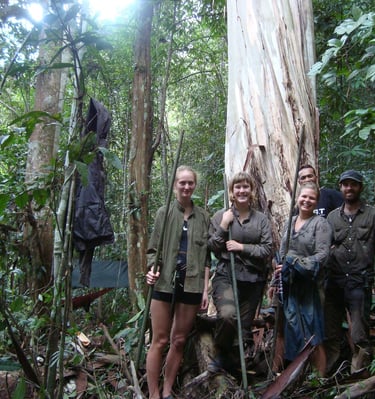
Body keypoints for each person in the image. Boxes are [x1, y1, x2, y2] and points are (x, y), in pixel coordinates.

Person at [145, 165, 211, 399]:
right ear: (175, 185)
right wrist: (151, 271)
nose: (186, 186)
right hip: (164, 282)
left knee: (179, 339)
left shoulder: (203, 216)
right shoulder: (164, 212)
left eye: (190, 183)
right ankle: (153, 393)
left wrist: (205, 290)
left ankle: (167, 390)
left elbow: (206, 257)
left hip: (191, 282)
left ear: (194, 185)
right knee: (160, 339)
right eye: (182, 182)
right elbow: (153, 250)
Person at [207, 171, 272, 372]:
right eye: (238, 187)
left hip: (253, 280)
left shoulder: (261, 219)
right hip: (227, 275)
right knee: (227, 316)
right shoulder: (220, 216)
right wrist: (224, 225)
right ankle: (221, 354)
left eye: (246, 186)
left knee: (243, 329)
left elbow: (268, 249)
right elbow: (212, 247)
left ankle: (234, 366)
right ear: (232, 191)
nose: (242, 190)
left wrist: (242, 247)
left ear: (252, 190)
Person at [274, 181, 332, 376]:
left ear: (316, 202)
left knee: (313, 332)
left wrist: (295, 262)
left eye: (311, 198)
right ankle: (298, 376)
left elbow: (322, 255)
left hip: (310, 287)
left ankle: (320, 380)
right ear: (297, 198)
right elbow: (282, 253)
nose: (307, 200)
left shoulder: (320, 223)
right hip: (290, 285)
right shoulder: (290, 222)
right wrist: (279, 273)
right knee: (292, 329)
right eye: (304, 196)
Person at [324, 170, 375, 375]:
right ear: (340, 187)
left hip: (359, 279)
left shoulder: (372, 214)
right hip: (334, 280)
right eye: (345, 184)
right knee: (332, 330)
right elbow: (324, 247)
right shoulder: (332, 217)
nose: (349, 188)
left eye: (353, 184)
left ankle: (360, 374)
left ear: (360, 187)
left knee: (359, 332)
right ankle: (333, 372)